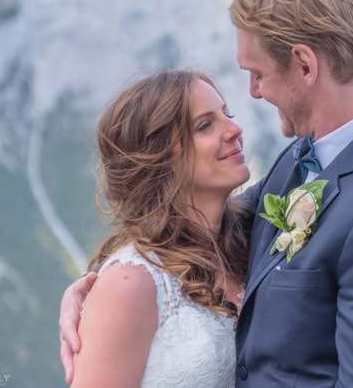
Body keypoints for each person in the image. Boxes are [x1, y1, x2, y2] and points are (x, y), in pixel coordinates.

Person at [61, 0, 353, 387]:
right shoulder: (300, 160)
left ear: (306, 64)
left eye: (257, 74)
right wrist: (107, 293)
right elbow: (200, 220)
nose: (253, 94)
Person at [69, 69, 252, 388]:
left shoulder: (252, 238)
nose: (235, 129)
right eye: (205, 125)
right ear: (160, 157)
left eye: (227, 114)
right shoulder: (130, 283)